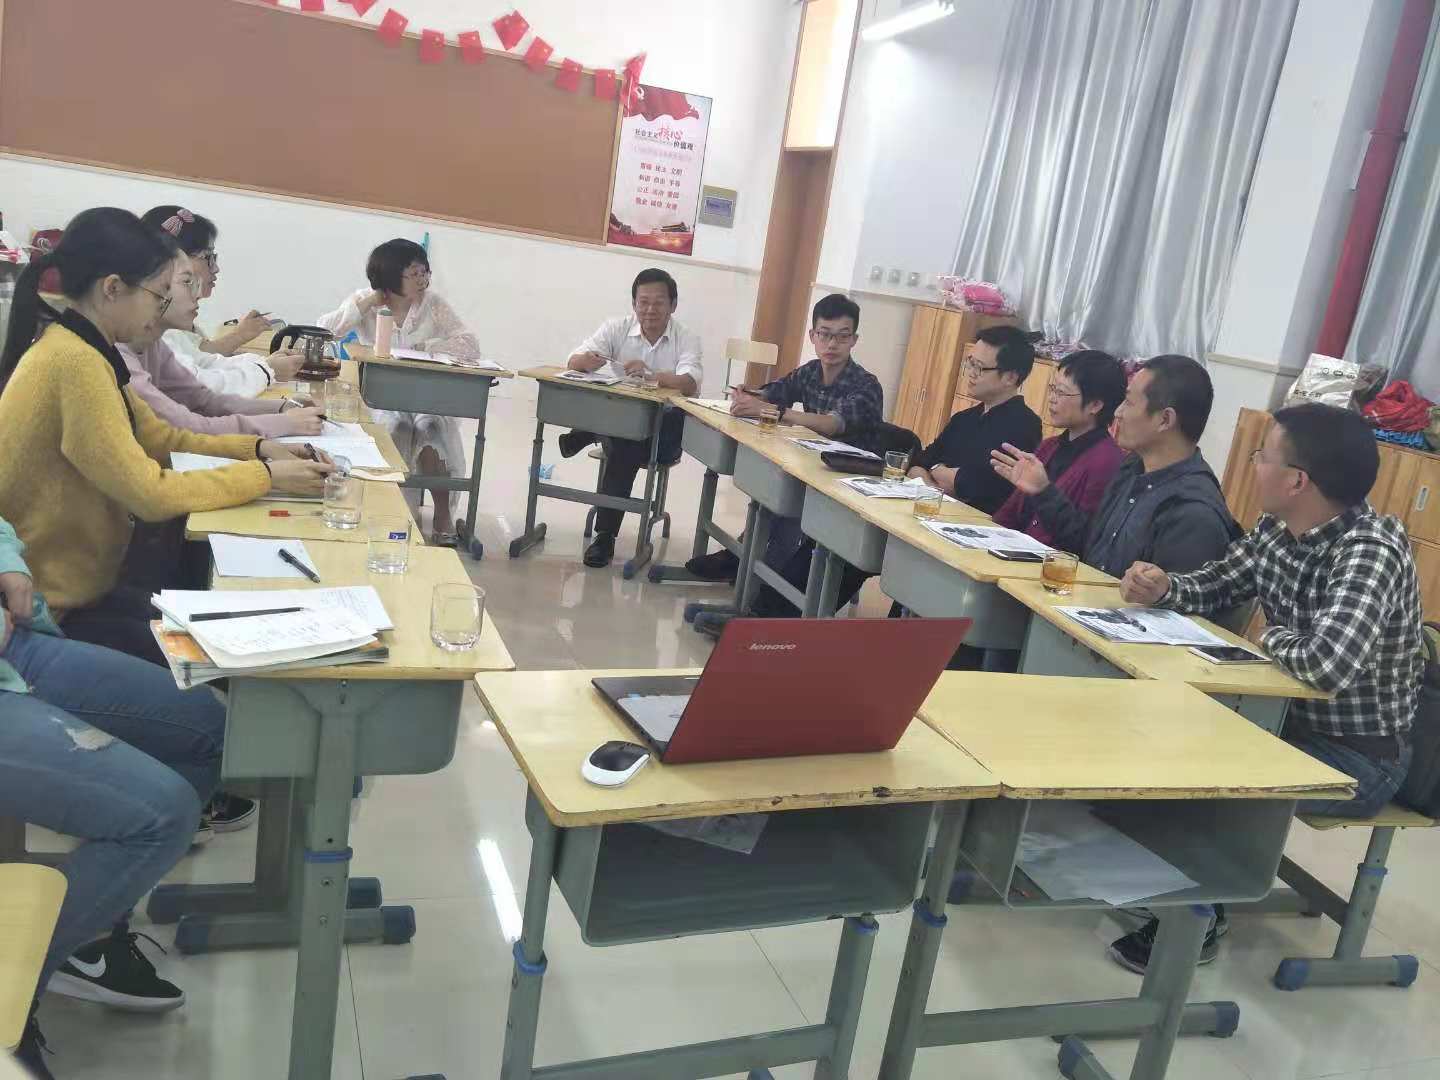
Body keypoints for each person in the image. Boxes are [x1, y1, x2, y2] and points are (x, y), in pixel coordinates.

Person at [1109, 403, 1422, 974]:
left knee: (1219, 778)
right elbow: (1220, 582)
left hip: (1358, 756)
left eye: (1262, 456)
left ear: (1297, 481)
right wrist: (1164, 587)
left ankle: (1199, 919)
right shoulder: (1278, 528)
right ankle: (1169, 876)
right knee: (1171, 733)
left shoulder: (1370, 549)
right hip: (1283, 720)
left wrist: (1269, 636)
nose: (1253, 466)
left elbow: (1327, 665)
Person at [0, 207, 332, 667]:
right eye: (159, 294)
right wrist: (265, 475)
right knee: (207, 692)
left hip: (88, 588)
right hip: (48, 608)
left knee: (218, 643)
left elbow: (164, 437)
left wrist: (258, 448)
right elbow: (150, 493)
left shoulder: (89, 349)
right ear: (112, 289)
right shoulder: (74, 362)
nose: (161, 309)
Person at [1, 515, 227, 1078]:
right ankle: (15, 989)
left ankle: (84, 935)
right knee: (161, 814)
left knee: (206, 727)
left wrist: (6, 561)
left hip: (14, 645)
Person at [690, 294, 883, 628]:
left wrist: (775, 411)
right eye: (825, 334)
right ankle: (742, 567)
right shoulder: (811, 372)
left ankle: (759, 606)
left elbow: (831, 424)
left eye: (842, 336)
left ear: (854, 340)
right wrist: (753, 396)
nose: (832, 344)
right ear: (812, 336)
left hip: (848, 489)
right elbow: (779, 389)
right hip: (813, 471)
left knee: (786, 515)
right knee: (770, 496)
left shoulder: (866, 386)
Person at [991, 353, 1237, 577]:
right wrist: (1043, 493)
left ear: (1164, 420)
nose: (1117, 413)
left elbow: (1166, 607)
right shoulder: (1131, 470)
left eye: (1128, 402)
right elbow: (1086, 548)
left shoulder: (1194, 513)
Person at [316, 238, 481, 544]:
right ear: (391, 277)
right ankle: (393, 512)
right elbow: (326, 330)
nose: (423, 280)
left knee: (432, 428)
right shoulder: (366, 302)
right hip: (382, 397)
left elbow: (469, 344)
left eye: (424, 272)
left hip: (428, 396)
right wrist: (367, 303)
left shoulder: (433, 304)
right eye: (414, 274)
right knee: (395, 427)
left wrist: (425, 346)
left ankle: (443, 515)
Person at [562, 268, 702, 569]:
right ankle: (604, 535)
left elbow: (690, 383)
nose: (650, 309)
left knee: (624, 439)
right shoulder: (617, 328)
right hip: (624, 425)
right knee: (624, 439)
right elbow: (573, 360)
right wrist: (586, 362)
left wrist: (651, 376)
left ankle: (589, 432)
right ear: (634, 304)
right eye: (643, 302)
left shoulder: (686, 338)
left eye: (659, 302)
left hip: (665, 431)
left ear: (673, 305)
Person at [121, 252, 325, 437]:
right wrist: (283, 422)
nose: (197, 294)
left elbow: (203, 399)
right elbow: (185, 425)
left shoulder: (153, 344)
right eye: (186, 282)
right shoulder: (121, 356)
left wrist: (281, 407)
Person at [138, 206, 307, 395]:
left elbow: (204, 360)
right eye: (208, 257)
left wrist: (265, 365)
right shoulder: (151, 333)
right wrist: (267, 370)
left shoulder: (164, 331)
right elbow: (201, 385)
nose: (216, 268)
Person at [992, 350, 1127, 546]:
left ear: (1095, 405)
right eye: (1053, 388)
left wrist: (1043, 491)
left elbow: (1083, 540)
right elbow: (1009, 514)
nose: (1052, 398)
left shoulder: (1107, 462)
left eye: (1061, 392)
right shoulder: (1049, 446)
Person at [908, 325, 1042, 514]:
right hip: (934, 514)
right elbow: (917, 465)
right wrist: (936, 488)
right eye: (970, 363)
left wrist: (936, 471)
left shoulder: (1025, 425)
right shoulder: (963, 419)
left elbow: (976, 488)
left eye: (980, 367)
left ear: (1010, 377)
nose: (971, 373)